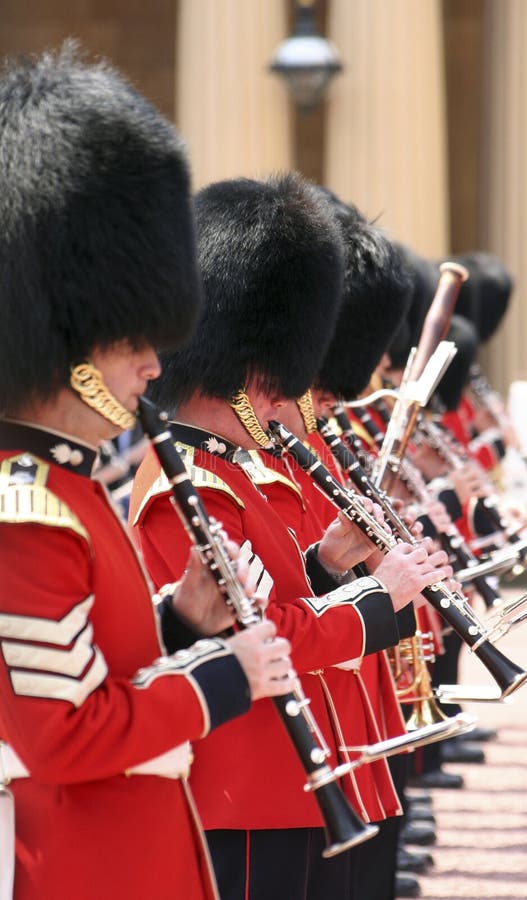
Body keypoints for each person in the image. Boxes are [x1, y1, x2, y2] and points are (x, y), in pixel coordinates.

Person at [0, 46, 295, 900]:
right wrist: (224, 677)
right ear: (69, 341)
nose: (152, 367)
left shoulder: (72, 493)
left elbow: (92, 663)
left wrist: (179, 623)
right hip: (82, 869)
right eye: (133, 338)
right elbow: (62, 734)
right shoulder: (26, 510)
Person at [130, 173, 454, 900]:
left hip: (290, 781)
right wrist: (376, 600)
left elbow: (273, 598)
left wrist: (333, 563)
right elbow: (247, 636)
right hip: (243, 790)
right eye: (285, 376)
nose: (294, 397)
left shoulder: (233, 470)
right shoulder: (186, 484)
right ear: (248, 364)